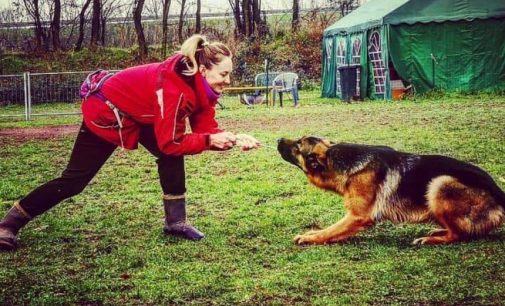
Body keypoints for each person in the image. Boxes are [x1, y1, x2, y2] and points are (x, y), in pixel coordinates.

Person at [0, 34, 260, 251]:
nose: (228, 81)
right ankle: (8, 225)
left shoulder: (202, 87)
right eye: (224, 74)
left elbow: (205, 129)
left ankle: (176, 222)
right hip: (106, 111)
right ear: (203, 70)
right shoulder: (174, 90)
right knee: (74, 180)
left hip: (141, 114)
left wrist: (233, 139)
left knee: (170, 156)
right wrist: (208, 140)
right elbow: (173, 142)